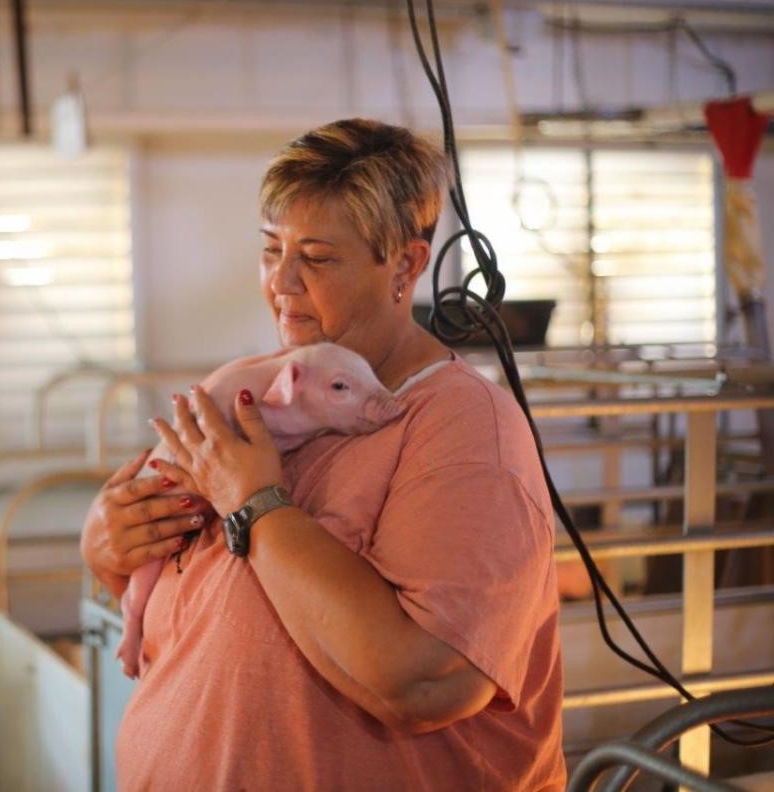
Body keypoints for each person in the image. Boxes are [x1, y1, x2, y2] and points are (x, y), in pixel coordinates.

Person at [79, 118, 565, 791]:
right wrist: (109, 546)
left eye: (318, 256)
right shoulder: (265, 389)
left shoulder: (463, 427)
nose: (282, 280)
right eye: (271, 248)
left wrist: (255, 503)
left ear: (405, 264)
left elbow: (424, 680)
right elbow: (190, 602)